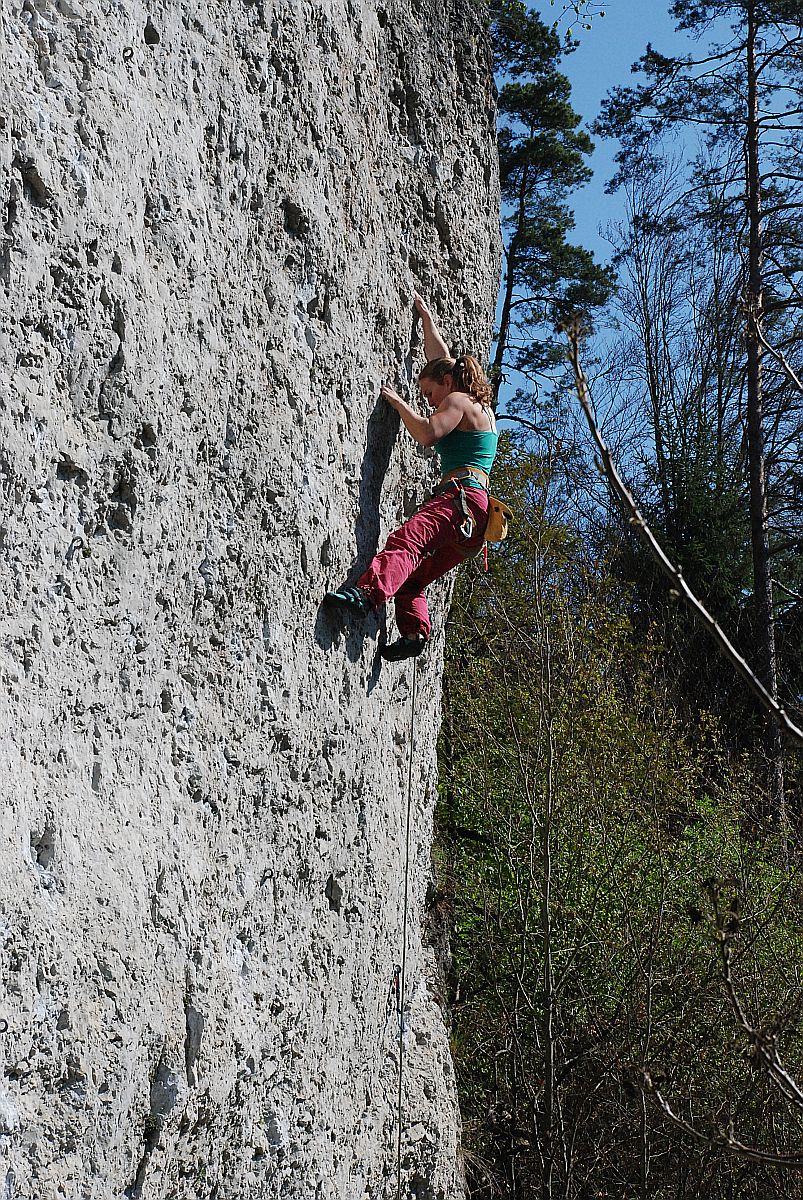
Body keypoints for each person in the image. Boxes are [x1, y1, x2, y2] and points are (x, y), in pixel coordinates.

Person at [325, 293, 498, 661]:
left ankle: (366, 594)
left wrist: (398, 403)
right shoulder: (481, 409)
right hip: (476, 521)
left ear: (448, 383)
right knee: (414, 578)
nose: (430, 401)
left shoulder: (456, 402)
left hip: (457, 500)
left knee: (407, 543)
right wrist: (426, 317)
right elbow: (440, 357)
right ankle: (415, 631)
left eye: (430, 393)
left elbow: (427, 433)